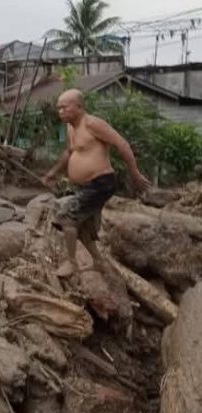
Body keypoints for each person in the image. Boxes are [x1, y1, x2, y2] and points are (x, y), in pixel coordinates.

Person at [42, 89, 150, 277]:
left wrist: (136, 174)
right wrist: (52, 173)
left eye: (64, 108)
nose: (61, 112)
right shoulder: (70, 128)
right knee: (82, 226)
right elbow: (69, 153)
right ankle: (99, 261)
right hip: (86, 186)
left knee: (67, 216)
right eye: (59, 108)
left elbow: (121, 144)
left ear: (79, 106)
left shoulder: (93, 124)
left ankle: (72, 263)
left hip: (101, 183)